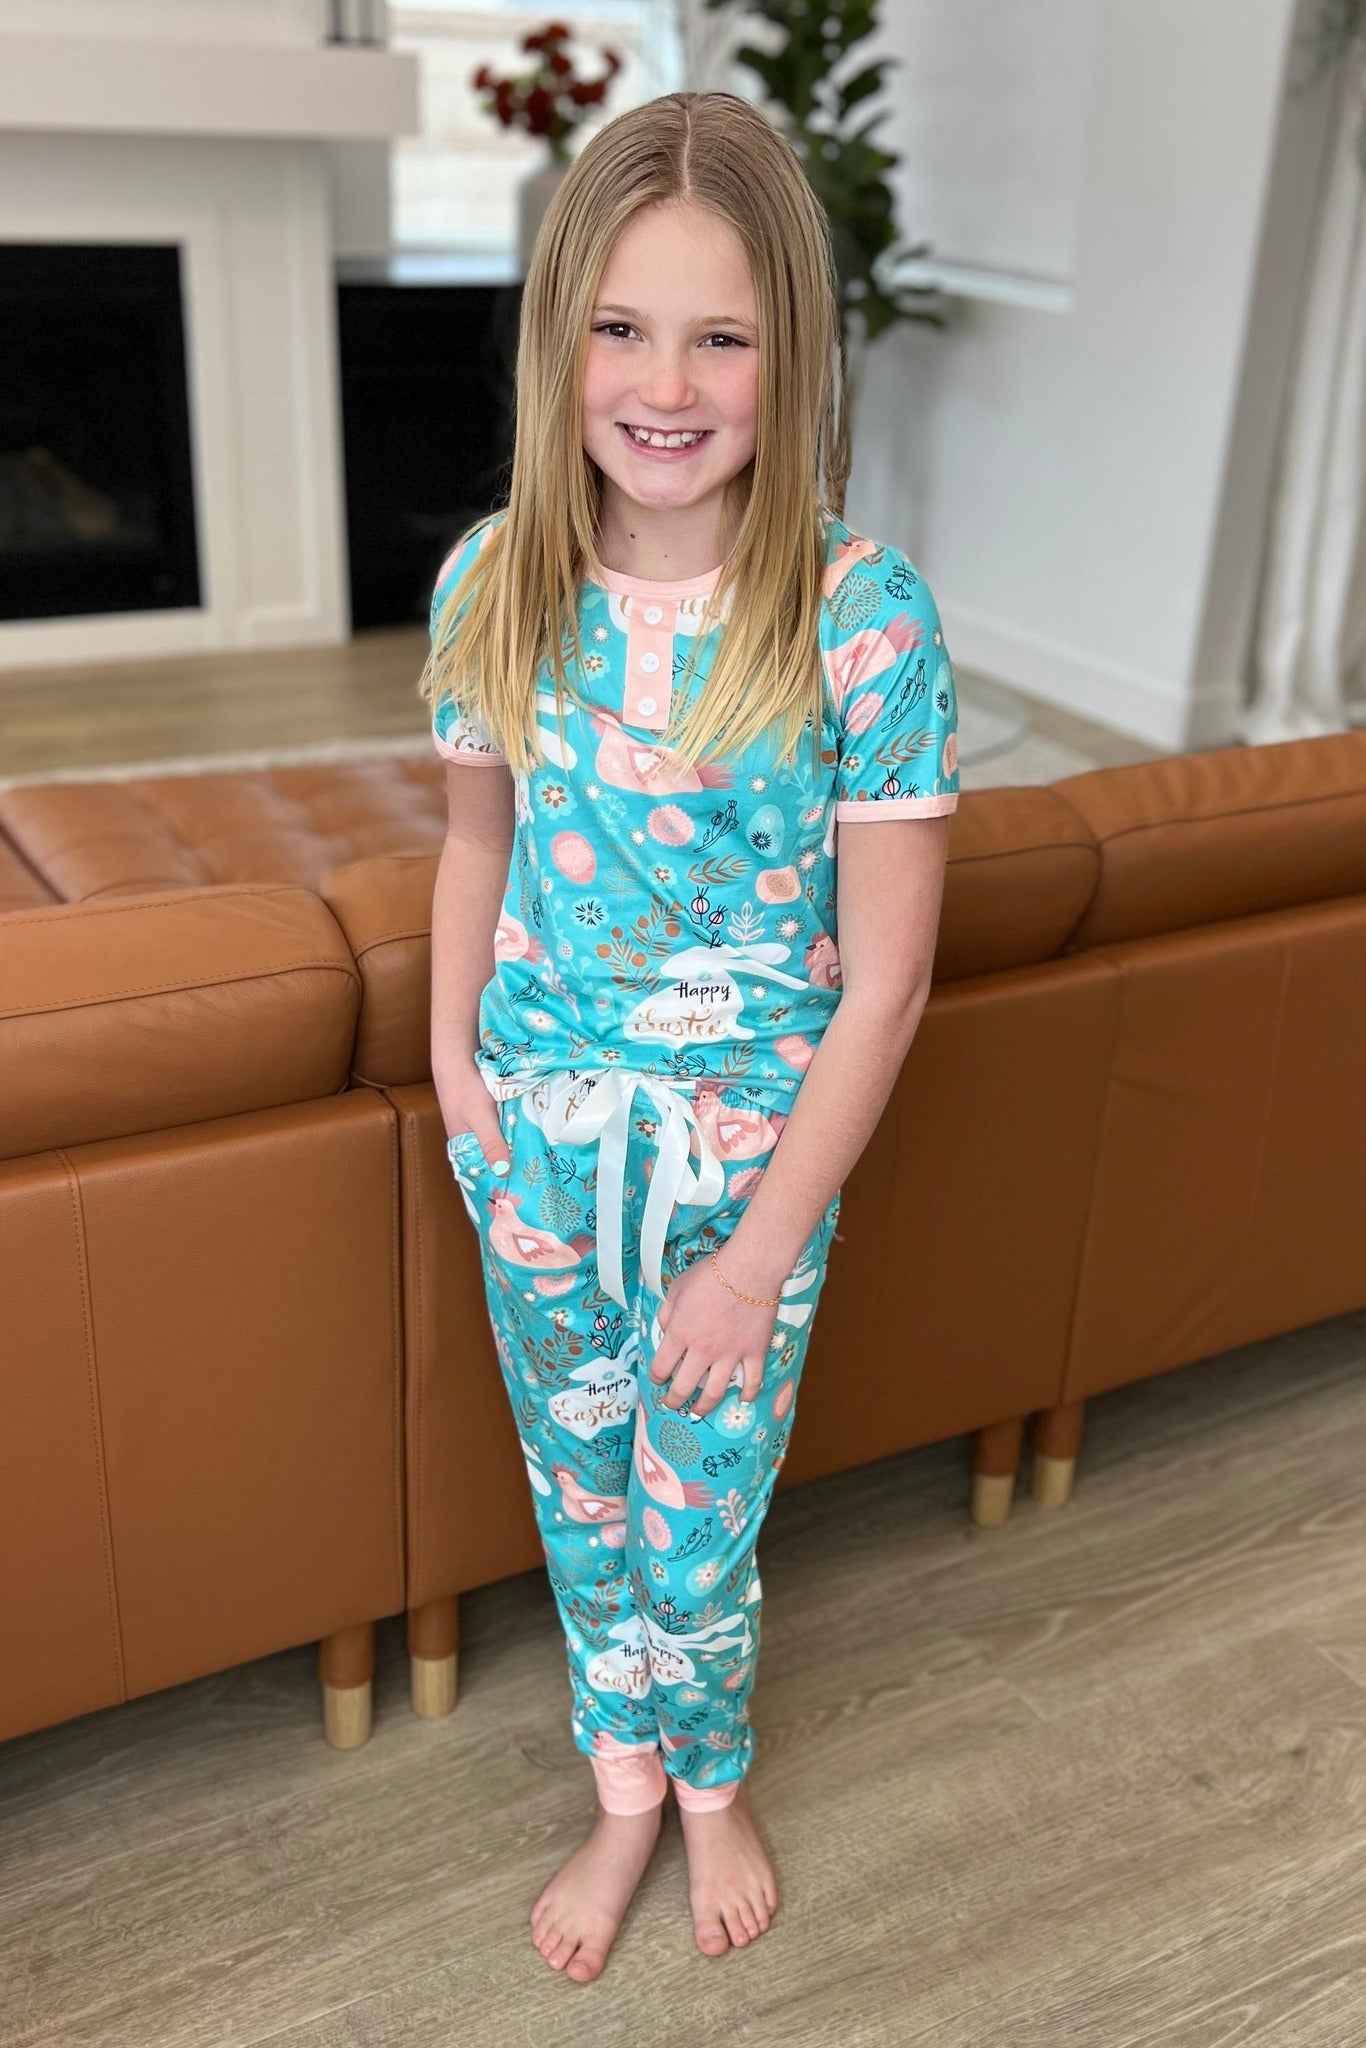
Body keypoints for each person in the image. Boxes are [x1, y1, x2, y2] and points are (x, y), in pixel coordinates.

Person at [421, 88, 958, 1982]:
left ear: (786, 353)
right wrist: (457, 1079)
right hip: (530, 1145)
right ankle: (624, 1788)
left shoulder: (862, 619)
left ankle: (714, 1779)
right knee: (577, 1495)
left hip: (746, 1183)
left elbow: (885, 980)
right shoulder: (494, 579)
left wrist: (753, 1256)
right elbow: (474, 845)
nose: (665, 385)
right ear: (556, 338)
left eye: (719, 336)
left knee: (697, 1518)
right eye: (621, 328)